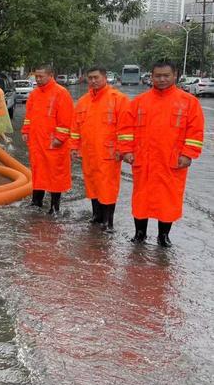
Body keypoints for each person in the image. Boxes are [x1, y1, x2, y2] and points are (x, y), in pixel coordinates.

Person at [121, 60, 205, 247]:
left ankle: (163, 236)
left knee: (169, 200)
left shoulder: (189, 102)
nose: (162, 79)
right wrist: (126, 151)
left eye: (166, 75)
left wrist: (188, 154)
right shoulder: (139, 102)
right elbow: (126, 129)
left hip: (172, 161)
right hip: (144, 160)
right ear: (151, 77)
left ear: (175, 76)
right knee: (141, 198)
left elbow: (195, 132)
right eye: (157, 76)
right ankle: (140, 234)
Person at [69, 66, 131, 231]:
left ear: (105, 77)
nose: (93, 81)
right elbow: (75, 128)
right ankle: (96, 216)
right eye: (90, 78)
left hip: (109, 154)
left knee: (108, 187)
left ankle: (108, 222)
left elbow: (126, 129)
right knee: (92, 185)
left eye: (96, 77)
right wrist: (74, 148)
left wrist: (123, 150)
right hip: (89, 153)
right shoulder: (83, 101)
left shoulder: (118, 99)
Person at [22, 64, 74, 213]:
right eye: (36, 76)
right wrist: (26, 131)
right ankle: (36, 202)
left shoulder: (61, 93)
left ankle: (54, 207)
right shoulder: (34, 94)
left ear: (51, 75)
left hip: (54, 144)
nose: (37, 79)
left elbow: (66, 120)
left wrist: (60, 138)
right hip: (37, 142)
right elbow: (29, 117)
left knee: (55, 175)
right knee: (38, 172)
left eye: (40, 76)